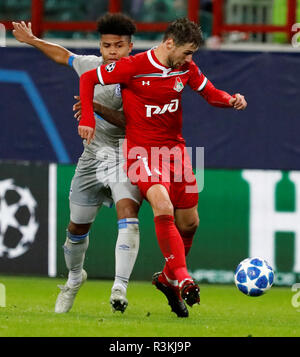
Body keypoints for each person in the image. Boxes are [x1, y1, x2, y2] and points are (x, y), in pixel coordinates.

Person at [78, 17, 247, 318]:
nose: (190, 59)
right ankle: (182, 276)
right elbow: (89, 79)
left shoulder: (186, 69)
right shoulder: (133, 66)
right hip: (141, 152)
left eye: (193, 54)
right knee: (162, 203)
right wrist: (88, 119)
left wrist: (230, 99)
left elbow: (210, 93)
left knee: (190, 224)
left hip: (176, 152)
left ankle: (168, 279)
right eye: (187, 52)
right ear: (170, 43)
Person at [12, 14, 143, 314]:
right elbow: (64, 56)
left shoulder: (138, 78)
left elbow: (133, 123)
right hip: (91, 159)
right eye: (107, 45)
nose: (112, 51)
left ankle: (119, 287)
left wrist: (93, 107)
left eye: (119, 46)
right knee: (76, 229)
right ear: (101, 46)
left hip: (125, 156)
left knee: (128, 213)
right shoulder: (93, 66)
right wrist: (33, 41)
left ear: (130, 47)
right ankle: (73, 279)